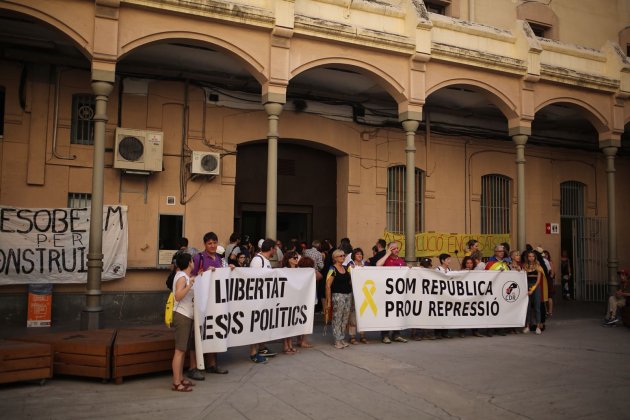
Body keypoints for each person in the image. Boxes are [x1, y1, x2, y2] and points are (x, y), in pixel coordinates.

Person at [188, 232, 228, 379]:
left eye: (214, 243)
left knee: (213, 331)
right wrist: (202, 274)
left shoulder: (219, 258)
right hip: (200, 302)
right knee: (196, 335)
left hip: (215, 303)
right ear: (205, 244)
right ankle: (193, 367)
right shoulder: (198, 258)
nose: (212, 245)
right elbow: (190, 277)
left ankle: (212, 364)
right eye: (209, 243)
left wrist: (229, 269)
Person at [171, 252, 197, 392]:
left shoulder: (185, 276)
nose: (194, 262)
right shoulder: (182, 277)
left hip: (186, 315)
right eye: (192, 261)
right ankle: (176, 382)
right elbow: (178, 295)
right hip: (182, 315)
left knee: (182, 349)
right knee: (179, 350)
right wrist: (190, 284)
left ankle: (180, 378)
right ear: (189, 263)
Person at [248, 238, 278, 362]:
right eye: (275, 248)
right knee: (256, 324)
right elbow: (253, 279)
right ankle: (253, 352)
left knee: (262, 324)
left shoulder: (265, 260)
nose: (276, 250)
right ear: (271, 248)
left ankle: (262, 347)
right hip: (257, 299)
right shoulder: (257, 260)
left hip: (264, 297)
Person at [376, 241, 408, 343]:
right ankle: (385, 335)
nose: (396, 250)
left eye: (397, 248)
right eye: (393, 248)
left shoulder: (401, 261)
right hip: (387, 292)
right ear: (389, 249)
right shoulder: (386, 259)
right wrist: (387, 254)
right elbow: (378, 265)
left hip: (398, 292)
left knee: (397, 312)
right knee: (387, 313)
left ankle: (396, 334)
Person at [326, 249, 353, 349]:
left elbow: (350, 281)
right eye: (340, 256)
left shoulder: (346, 268)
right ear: (335, 258)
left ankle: (342, 338)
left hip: (347, 295)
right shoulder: (332, 269)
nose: (343, 257)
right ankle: (337, 339)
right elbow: (328, 285)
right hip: (338, 295)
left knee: (345, 317)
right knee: (337, 317)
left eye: (343, 255)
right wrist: (328, 300)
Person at [346, 248, 368, 344]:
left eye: (361, 254)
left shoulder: (365, 265)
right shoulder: (350, 266)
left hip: (364, 293)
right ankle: (352, 336)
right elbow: (347, 280)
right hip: (353, 292)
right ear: (354, 256)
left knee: (363, 313)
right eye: (357, 254)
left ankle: (363, 335)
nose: (360, 256)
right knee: (353, 314)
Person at [296, 256, 318, 348]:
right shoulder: (311, 272)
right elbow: (320, 276)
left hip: (299, 299)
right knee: (307, 320)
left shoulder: (297, 272)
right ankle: (304, 341)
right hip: (309, 299)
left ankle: (299, 339)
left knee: (298, 320)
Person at [281, 251, 300, 354]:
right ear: (288, 259)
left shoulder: (299, 270)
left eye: (297, 258)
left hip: (295, 299)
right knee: (286, 322)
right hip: (286, 299)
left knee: (292, 322)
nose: (296, 259)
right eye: (294, 258)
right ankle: (285, 344)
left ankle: (290, 343)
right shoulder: (284, 270)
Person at [523, 250, 543, 334]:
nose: (531, 258)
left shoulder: (538, 266)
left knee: (537, 307)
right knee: (527, 307)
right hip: (527, 286)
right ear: (527, 257)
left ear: (535, 257)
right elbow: (522, 277)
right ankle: (527, 326)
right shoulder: (525, 266)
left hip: (536, 287)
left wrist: (532, 289)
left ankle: (538, 326)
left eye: (532, 256)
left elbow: (538, 280)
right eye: (529, 256)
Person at [435, 253, 453, 338]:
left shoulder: (450, 269)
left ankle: (445, 332)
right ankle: (437, 332)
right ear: (443, 260)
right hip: (439, 295)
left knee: (447, 313)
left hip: (448, 295)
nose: (449, 261)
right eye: (448, 259)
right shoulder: (438, 269)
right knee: (439, 313)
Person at [542, 250, 555, 317]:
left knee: (549, 296)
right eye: (544, 255)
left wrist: (550, 278)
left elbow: (552, 273)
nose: (545, 256)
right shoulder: (542, 262)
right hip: (544, 280)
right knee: (544, 297)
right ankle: (546, 311)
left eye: (546, 255)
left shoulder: (549, 262)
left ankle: (550, 311)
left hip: (548, 280)